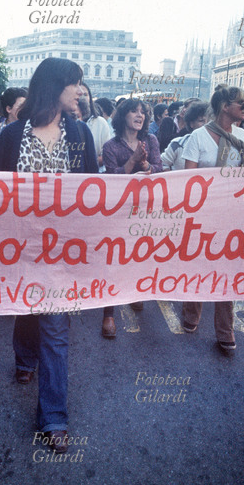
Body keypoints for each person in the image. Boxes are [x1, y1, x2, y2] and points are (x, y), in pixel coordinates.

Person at [0, 57, 98, 454]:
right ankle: (24, 358)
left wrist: (131, 189)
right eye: (74, 86)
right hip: (20, 246)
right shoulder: (12, 135)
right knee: (27, 310)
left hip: (63, 252)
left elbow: (94, 192)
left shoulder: (81, 133)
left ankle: (53, 416)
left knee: (55, 326)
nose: (80, 93)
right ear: (56, 88)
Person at [181, 84, 244, 353]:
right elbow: (188, 181)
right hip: (202, 214)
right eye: (241, 104)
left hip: (233, 214)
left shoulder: (243, 136)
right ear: (225, 106)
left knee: (228, 270)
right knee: (199, 264)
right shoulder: (197, 137)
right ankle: (191, 316)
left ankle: (225, 330)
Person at [99, 98, 163, 337]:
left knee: (140, 253)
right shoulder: (111, 146)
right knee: (114, 258)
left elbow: (159, 168)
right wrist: (133, 160)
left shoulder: (151, 140)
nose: (140, 116)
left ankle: (135, 293)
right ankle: (108, 314)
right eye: (134, 111)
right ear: (122, 116)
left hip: (145, 207)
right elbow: (113, 177)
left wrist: (147, 165)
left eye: (143, 112)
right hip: (119, 210)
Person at [160, 101, 208, 171]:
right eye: (201, 121)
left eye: (209, 121)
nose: (206, 125)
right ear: (191, 124)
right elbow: (162, 163)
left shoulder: (218, 144)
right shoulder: (178, 144)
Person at [81, 83, 111, 171]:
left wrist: (86, 163)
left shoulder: (100, 122)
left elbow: (107, 154)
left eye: (85, 94)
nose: (82, 97)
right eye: (78, 94)